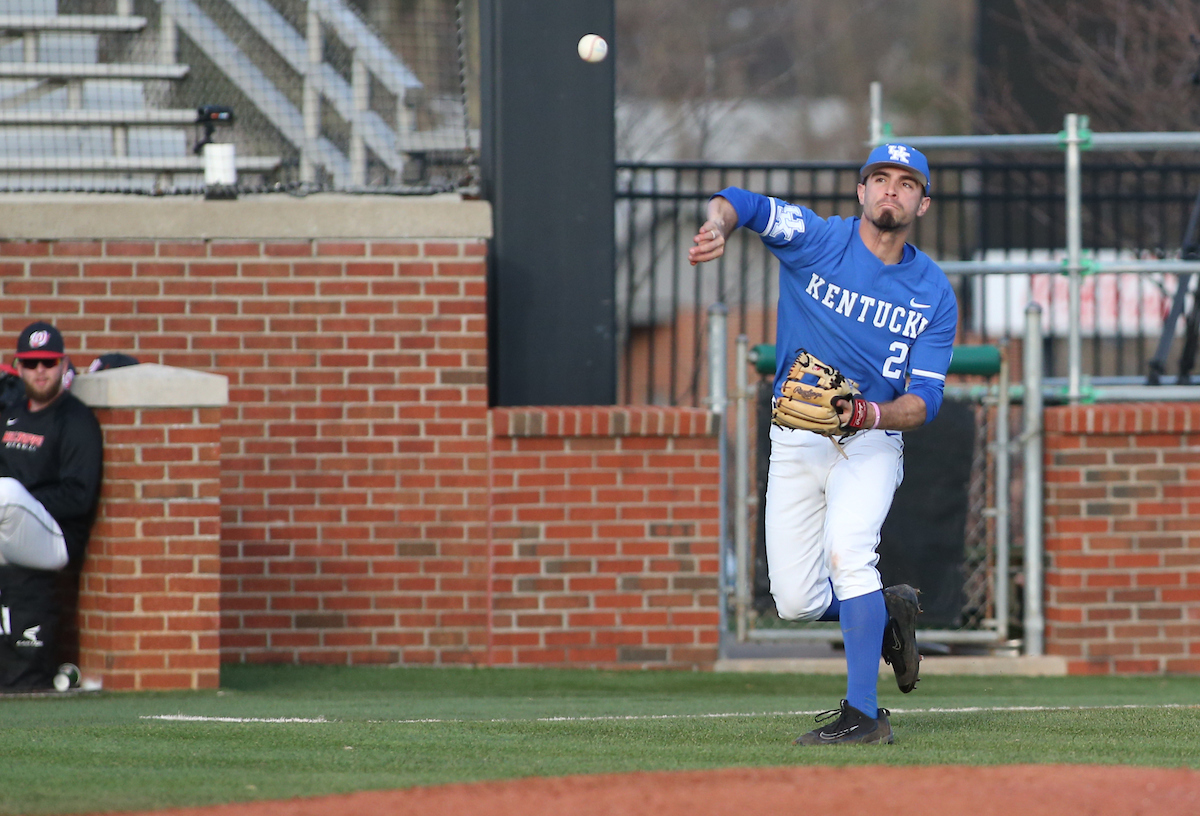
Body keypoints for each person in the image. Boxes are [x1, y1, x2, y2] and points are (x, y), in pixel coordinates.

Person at [688, 144, 958, 745]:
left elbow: (925, 401)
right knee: (795, 600)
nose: (892, 190)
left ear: (923, 202)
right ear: (861, 192)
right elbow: (742, 202)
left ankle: (863, 715)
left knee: (849, 554)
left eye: (907, 183)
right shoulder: (816, 238)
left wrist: (872, 413)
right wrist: (716, 224)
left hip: (870, 443)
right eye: (880, 179)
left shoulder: (934, 291)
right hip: (795, 440)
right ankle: (884, 612)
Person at [0, 321, 103, 690]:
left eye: (48, 362)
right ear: (18, 366)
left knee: (7, 493)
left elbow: (79, 496)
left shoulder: (75, 420)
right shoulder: (10, 412)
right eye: (31, 363)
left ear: (63, 364)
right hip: (9, 533)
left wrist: (26, 501)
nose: (40, 371)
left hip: (54, 538)